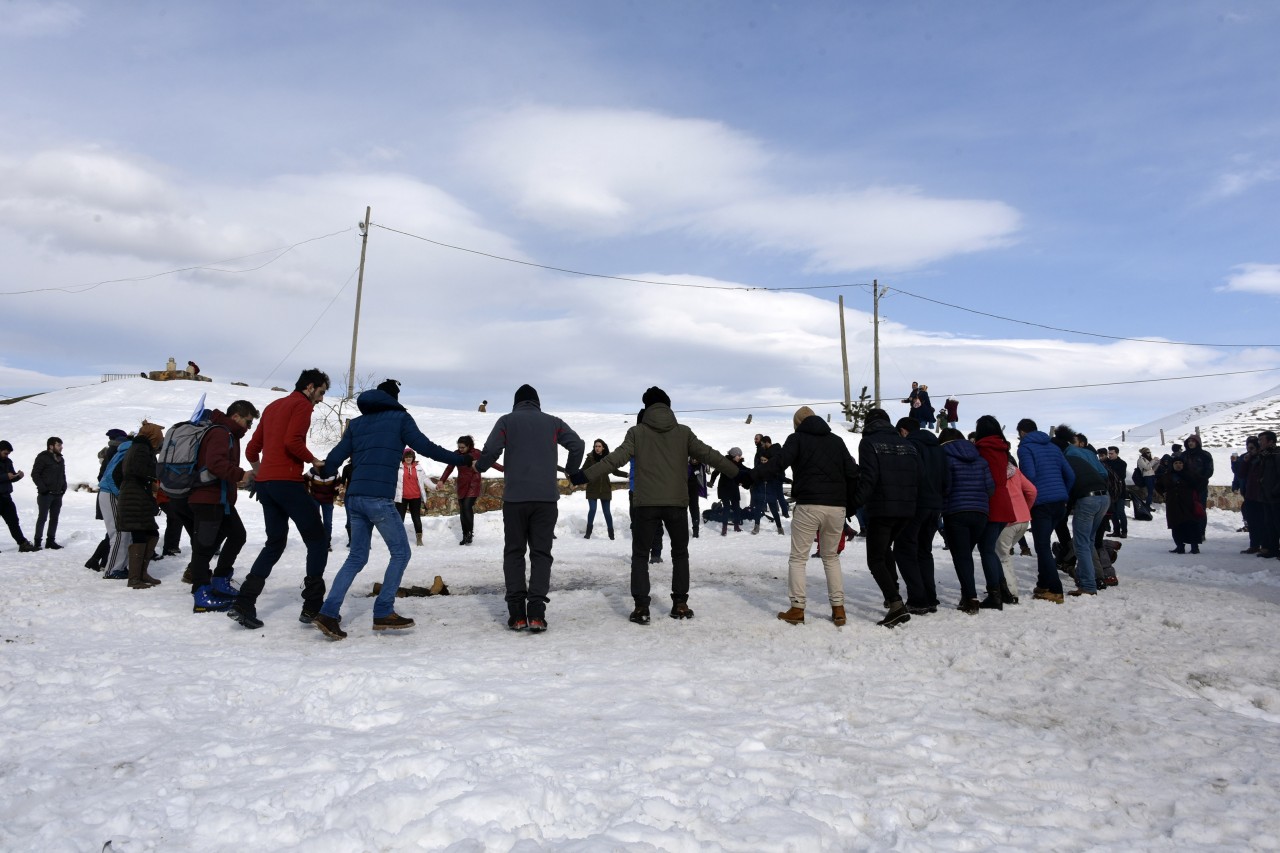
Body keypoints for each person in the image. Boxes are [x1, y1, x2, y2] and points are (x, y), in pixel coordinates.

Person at [311, 381, 470, 639]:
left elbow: (337, 457)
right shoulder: (400, 418)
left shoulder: (358, 424)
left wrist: (325, 470)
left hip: (355, 499)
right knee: (401, 552)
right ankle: (384, 610)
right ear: (393, 399)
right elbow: (427, 447)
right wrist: (461, 460)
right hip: (378, 499)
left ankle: (328, 612)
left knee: (356, 558)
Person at [577, 386, 740, 625]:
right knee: (680, 554)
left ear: (647, 407)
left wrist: (584, 476)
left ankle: (642, 608)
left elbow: (614, 460)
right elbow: (709, 455)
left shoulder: (637, 432)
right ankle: (680, 604)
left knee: (640, 556)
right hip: (676, 504)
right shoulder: (683, 433)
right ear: (668, 406)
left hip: (646, 504)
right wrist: (739, 473)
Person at [475, 384, 585, 633]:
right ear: (537, 402)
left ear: (516, 402)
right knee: (541, 554)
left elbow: (491, 450)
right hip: (546, 500)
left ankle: (516, 615)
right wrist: (571, 470)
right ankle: (536, 613)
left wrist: (480, 467)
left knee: (514, 553)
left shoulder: (506, 421)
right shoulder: (553, 423)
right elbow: (577, 445)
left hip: (515, 500)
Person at [231, 368, 332, 630]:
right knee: (317, 539)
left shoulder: (274, 406)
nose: (321, 399)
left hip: (266, 486)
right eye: (321, 392)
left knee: (274, 543)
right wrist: (314, 460)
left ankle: (244, 601)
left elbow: (252, 449)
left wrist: (262, 474)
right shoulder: (302, 405)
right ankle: (312, 606)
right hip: (288, 483)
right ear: (310, 387)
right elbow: (292, 442)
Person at [753, 406, 859, 626]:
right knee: (831, 558)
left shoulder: (797, 438)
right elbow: (852, 473)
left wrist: (750, 476)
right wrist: (849, 504)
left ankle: (797, 608)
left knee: (798, 559)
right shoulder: (837, 441)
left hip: (809, 505)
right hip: (836, 507)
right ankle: (839, 609)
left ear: (798, 423)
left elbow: (778, 464)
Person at [852, 408, 920, 627]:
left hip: (882, 509)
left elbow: (868, 479)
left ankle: (895, 604)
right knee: (885, 550)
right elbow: (919, 476)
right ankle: (894, 591)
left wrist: (853, 505)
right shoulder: (908, 444)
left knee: (875, 558)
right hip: (908, 509)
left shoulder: (869, 443)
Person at [188, 400, 259, 612]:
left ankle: (219, 580)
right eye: (248, 422)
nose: (249, 428)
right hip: (207, 498)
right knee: (204, 545)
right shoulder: (220, 432)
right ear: (236, 416)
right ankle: (201, 593)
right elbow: (215, 463)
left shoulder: (229, 434)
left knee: (237, 535)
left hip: (220, 499)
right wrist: (241, 474)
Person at [1016, 418, 1075, 604]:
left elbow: (1030, 476)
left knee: (1042, 546)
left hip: (1041, 503)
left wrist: (1026, 498)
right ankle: (1043, 584)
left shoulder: (1025, 448)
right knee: (1044, 544)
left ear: (1022, 432)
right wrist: (1064, 494)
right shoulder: (1053, 447)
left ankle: (1056, 591)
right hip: (1059, 503)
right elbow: (1070, 475)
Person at [939, 428, 995, 613]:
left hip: (956, 512)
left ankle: (970, 598)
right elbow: (990, 487)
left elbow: (945, 487)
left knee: (961, 556)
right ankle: (967, 594)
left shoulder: (945, 458)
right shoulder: (980, 459)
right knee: (966, 554)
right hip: (980, 513)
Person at [893, 418, 944, 615]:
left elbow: (908, 476)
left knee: (904, 550)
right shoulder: (938, 448)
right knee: (924, 551)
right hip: (935, 505)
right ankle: (930, 597)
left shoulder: (910, 446)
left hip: (915, 504)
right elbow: (946, 477)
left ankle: (917, 598)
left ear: (903, 431)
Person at [1057, 425, 1111, 596]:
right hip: (1104, 496)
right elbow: (1103, 473)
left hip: (1087, 498)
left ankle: (1088, 585)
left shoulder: (1067, 456)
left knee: (1081, 543)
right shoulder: (1088, 453)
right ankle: (1096, 577)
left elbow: (1070, 480)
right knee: (1089, 540)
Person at [972, 415, 1018, 607]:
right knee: (990, 548)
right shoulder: (1003, 448)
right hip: (1004, 500)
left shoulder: (981, 449)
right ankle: (1004, 591)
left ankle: (995, 595)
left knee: (987, 549)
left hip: (990, 501)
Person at [116, 422, 166, 589]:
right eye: (159, 435)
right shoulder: (141, 448)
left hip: (135, 496)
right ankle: (134, 578)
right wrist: (152, 478)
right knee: (140, 534)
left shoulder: (138, 447)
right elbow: (138, 470)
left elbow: (119, 473)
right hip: (134, 497)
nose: (161, 439)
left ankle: (141, 573)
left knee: (151, 532)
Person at [439, 435, 502, 545]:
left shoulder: (476, 453)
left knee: (467, 506)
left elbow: (490, 462)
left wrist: (504, 469)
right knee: (463, 509)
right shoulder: (456, 454)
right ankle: (465, 535)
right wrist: (442, 480)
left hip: (473, 483)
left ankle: (469, 534)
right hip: (461, 484)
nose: (460, 449)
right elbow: (449, 467)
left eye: (463, 447)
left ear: (469, 446)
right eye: (459, 447)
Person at [580, 439, 625, 540]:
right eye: (596, 446)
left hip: (605, 488)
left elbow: (615, 472)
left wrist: (626, 474)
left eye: (599, 446)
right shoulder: (590, 458)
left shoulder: (608, 459)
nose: (597, 448)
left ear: (603, 447)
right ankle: (588, 533)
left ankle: (611, 534)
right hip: (592, 488)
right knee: (592, 509)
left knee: (607, 512)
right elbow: (583, 470)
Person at [1159, 457, 1205, 554]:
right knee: (1176, 525)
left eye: (1180, 463)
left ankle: (1194, 547)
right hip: (1173, 504)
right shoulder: (1168, 475)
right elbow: (1159, 485)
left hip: (1188, 503)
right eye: (1176, 463)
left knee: (1191, 524)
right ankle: (1179, 546)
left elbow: (1202, 482)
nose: (1178, 465)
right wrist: (1164, 493)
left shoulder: (1190, 474)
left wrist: (1195, 493)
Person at [394, 448, 436, 546]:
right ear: (403, 457)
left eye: (410, 457)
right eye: (407, 457)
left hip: (415, 497)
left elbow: (425, 479)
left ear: (413, 457)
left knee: (416, 518)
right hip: (401, 497)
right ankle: (399, 539)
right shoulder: (398, 467)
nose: (408, 459)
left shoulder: (418, 468)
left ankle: (419, 538)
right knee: (400, 519)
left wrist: (434, 487)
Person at [31, 436, 67, 550]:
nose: (61, 447)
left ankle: (50, 541)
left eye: (61, 445)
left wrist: (64, 486)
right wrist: (43, 488)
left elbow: (62, 474)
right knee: (42, 517)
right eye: (58, 445)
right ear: (51, 446)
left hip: (58, 493)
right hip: (46, 494)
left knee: (54, 518)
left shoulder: (61, 459)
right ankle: (37, 541)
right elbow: (35, 474)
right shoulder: (42, 458)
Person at [0, 440, 34, 552]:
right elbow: (5, 477)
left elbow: (11, 477)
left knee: (13, 521)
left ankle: (22, 543)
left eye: (8, 453)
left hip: (6, 497)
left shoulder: (8, 461)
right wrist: (6, 476)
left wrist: (17, 476)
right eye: (5, 453)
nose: (7, 455)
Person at [1181, 434, 1214, 544]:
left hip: (1200, 486)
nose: (1191, 443)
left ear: (1197, 443)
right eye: (1189, 441)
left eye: (1193, 441)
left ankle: (1201, 533)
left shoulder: (1205, 455)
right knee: (1187, 510)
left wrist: (1201, 479)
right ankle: (1189, 533)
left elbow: (1209, 470)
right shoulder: (1183, 455)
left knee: (1200, 509)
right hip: (1186, 486)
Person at [753, 436, 787, 535]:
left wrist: (786, 479)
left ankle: (779, 527)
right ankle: (756, 526)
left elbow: (779, 477)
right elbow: (752, 476)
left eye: (765, 461)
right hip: (760, 492)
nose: (763, 462)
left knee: (774, 511)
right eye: (762, 461)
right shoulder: (758, 469)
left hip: (770, 493)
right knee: (757, 509)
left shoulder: (772, 470)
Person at [708, 449, 747, 534]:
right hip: (724, 488)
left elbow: (745, 471)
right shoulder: (724, 462)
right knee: (726, 507)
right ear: (733, 455)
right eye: (738, 456)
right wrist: (711, 482)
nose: (740, 457)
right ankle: (724, 528)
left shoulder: (738, 463)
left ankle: (736, 526)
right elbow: (715, 472)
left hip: (734, 487)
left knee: (736, 507)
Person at [303, 464, 340, 550]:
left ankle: (326, 543)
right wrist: (307, 491)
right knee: (315, 520)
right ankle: (316, 542)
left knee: (327, 522)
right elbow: (304, 478)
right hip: (315, 498)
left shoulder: (335, 472)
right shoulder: (313, 471)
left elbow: (338, 483)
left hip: (328, 500)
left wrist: (336, 491)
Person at [1103, 447, 1129, 537]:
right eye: (1109, 453)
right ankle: (1116, 531)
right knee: (1113, 512)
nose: (1110, 455)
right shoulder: (1106, 463)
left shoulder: (1122, 463)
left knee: (1120, 511)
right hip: (1110, 491)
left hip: (1120, 490)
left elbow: (1121, 476)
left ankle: (1124, 531)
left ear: (1117, 453)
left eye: (1112, 453)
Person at [687, 456, 709, 538]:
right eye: (693, 459)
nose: (695, 460)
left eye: (696, 459)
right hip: (683, 491)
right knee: (682, 511)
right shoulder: (686, 465)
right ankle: (683, 530)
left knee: (695, 510)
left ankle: (696, 530)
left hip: (694, 491)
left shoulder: (701, 465)